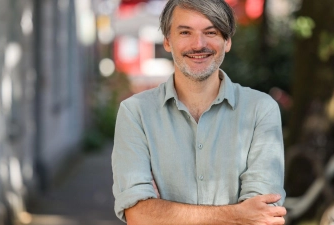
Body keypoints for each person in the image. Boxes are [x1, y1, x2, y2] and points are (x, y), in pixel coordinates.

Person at [112, 0, 286, 224]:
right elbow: (138, 214)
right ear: (167, 40)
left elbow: (262, 216)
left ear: (227, 41)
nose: (198, 44)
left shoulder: (261, 109)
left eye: (211, 32)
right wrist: (237, 215)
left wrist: (162, 212)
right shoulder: (135, 113)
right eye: (185, 32)